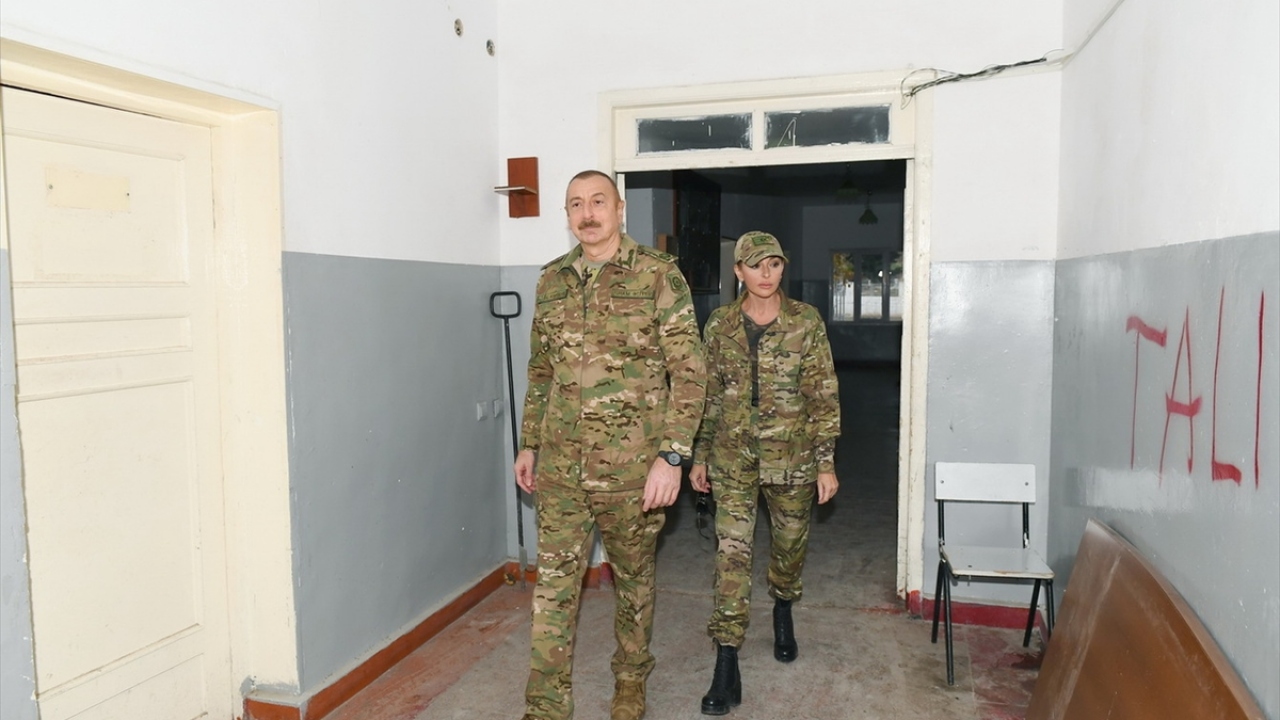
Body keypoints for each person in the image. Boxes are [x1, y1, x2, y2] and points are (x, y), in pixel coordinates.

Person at [514, 170, 707, 720]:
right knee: (553, 588)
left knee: (633, 582)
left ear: (620, 209)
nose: (588, 213)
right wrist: (529, 443)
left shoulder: (658, 274)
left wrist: (672, 456)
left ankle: (630, 680)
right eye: (576, 204)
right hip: (561, 468)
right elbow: (541, 371)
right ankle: (546, 706)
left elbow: (689, 372)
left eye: (598, 201)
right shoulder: (551, 280)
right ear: (567, 215)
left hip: (634, 471)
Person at [689, 231, 841, 716]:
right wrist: (700, 456)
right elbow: (709, 395)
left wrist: (825, 462)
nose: (766, 274)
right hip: (732, 459)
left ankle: (783, 605)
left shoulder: (805, 322)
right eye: (755, 265)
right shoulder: (719, 325)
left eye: (773, 264)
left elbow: (823, 394)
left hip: (792, 459)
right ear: (738, 271)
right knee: (730, 557)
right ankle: (726, 661)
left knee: (789, 547)